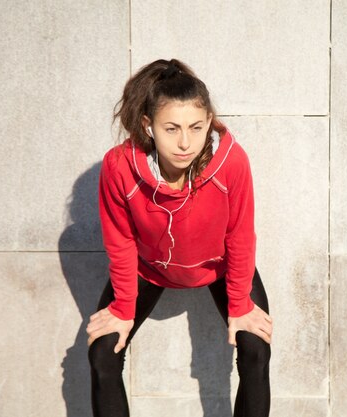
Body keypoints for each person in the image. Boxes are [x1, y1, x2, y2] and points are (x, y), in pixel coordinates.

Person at [86, 58, 273, 417]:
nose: (185, 142)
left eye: (196, 127)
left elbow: (240, 235)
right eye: (171, 128)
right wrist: (124, 308)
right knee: (101, 353)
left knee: (256, 348)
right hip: (149, 268)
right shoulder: (119, 167)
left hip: (219, 264)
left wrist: (239, 306)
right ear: (149, 126)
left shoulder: (231, 163)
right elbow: (120, 239)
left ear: (208, 124)